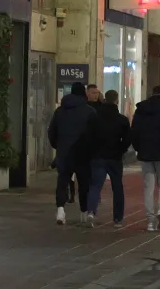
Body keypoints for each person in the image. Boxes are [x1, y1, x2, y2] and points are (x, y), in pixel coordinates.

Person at [49, 82, 97, 225]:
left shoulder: (59, 111)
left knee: (62, 181)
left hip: (64, 152)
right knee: (83, 183)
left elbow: (52, 132)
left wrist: (58, 146)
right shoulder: (89, 111)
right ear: (84, 93)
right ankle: (83, 212)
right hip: (83, 153)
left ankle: (60, 210)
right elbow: (95, 134)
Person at [132, 85, 160, 231]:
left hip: (145, 152)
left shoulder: (141, 109)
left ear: (152, 93)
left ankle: (150, 221)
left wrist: (138, 148)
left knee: (148, 187)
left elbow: (135, 131)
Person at [86, 90, 130, 228]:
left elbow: (88, 136)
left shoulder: (94, 118)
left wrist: (92, 150)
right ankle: (117, 218)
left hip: (98, 156)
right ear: (116, 101)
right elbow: (128, 139)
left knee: (95, 185)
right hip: (114, 157)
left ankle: (91, 212)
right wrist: (120, 150)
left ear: (104, 100)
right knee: (117, 187)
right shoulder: (122, 120)